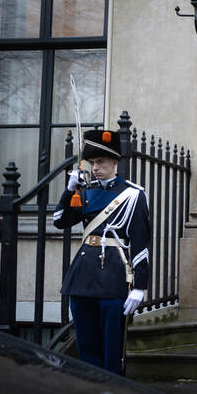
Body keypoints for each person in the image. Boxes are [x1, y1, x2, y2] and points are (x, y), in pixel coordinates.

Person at [53, 129, 151, 375]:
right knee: (87, 347)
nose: (95, 168)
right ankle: (91, 393)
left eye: (101, 162)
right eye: (92, 163)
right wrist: (69, 190)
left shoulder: (133, 195)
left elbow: (141, 242)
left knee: (112, 350)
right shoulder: (84, 193)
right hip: (83, 278)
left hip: (113, 277)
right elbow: (60, 221)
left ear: (114, 162)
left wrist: (140, 286)